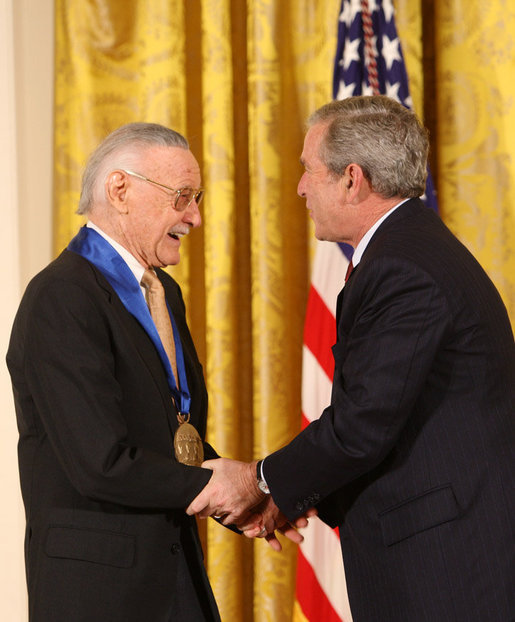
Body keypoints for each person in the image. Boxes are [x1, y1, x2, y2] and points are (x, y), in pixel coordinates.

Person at [187, 96, 515, 621]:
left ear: (351, 179)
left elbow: (362, 425)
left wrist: (261, 481)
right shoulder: (412, 251)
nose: (299, 187)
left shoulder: (402, 269)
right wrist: (289, 497)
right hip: (443, 555)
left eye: (307, 170)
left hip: (445, 569)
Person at [7, 122, 220, 621]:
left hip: (175, 579)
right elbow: (99, 460)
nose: (195, 216)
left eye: (198, 197)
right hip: (98, 593)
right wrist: (218, 487)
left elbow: (170, 437)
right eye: (182, 197)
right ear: (120, 190)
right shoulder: (61, 297)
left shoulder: (164, 294)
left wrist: (249, 498)